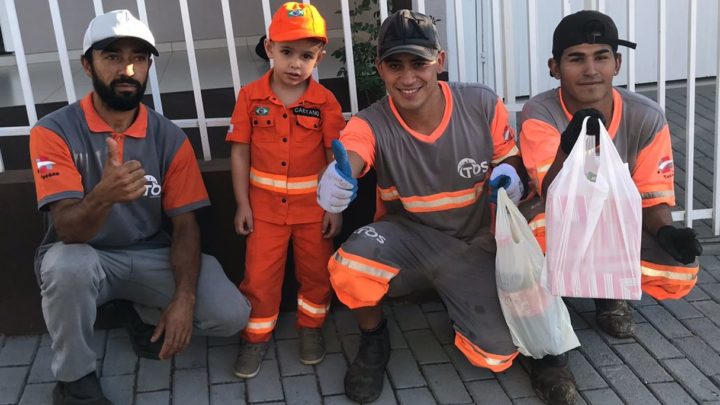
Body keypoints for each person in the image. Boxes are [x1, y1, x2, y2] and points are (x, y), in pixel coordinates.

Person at [317, 10, 579, 405]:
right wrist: (338, 178)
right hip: (411, 239)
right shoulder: (370, 122)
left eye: (419, 63)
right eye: (395, 65)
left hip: (480, 241)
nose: (407, 78)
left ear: (440, 61)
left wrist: (510, 173)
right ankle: (373, 340)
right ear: (380, 69)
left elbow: (510, 159)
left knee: (495, 353)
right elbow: (352, 152)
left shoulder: (480, 102)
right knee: (350, 266)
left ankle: (544, 350)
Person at [29, 10, 250, 404]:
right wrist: (103, 194)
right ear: (87, 64)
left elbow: (185, 225)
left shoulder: (168, 137)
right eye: (112, 56)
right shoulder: (52, 132)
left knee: (231, 314)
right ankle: (74, 381)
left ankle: (141, 313)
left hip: (149, 253)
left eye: (140, 58)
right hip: (85, 257)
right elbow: (68, 230)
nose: (127, 68)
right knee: (67, 266)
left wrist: (184, 300)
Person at [518, 10, 702, 339]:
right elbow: (552, 193)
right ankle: (546, 315)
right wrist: (570, 147)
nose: (590, 71)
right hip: (559, 219)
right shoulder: (540, 113)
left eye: (601, 57)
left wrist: (666, 232)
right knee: (539, 230)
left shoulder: (647, 116)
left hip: (615, 222)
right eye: (576, 59)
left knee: (680, 271)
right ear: (554, 67)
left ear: (616, 63)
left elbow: (650, 196)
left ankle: (610, 295)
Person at [226, 2, 346, 379]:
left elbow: (335, 159)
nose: (296, 63)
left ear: (319, 58)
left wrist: (334, 208)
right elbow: (240, 152)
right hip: (263, 212)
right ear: (269, 49)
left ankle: (311, 329)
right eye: (287, 52)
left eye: (306, 55)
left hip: (313, 212)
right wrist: (242, 204)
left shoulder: (326, 103)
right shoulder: (249, 97)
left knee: (316, 275)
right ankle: (256, 337)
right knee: (259, 277)